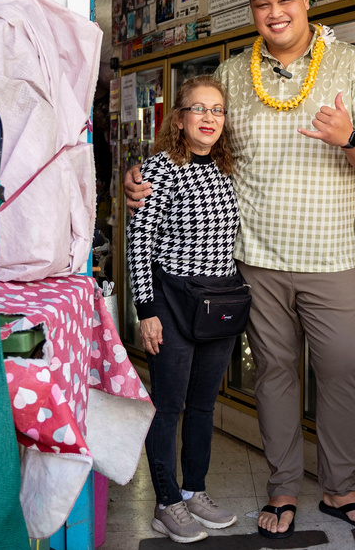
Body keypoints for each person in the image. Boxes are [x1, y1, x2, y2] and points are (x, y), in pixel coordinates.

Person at [126, 0, 355, 538]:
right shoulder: (230, 75)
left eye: (285, 1)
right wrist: (140, 180)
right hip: (250, 257)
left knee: (343, 368)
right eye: (262, 5)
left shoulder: (350, 66)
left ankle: (341, 487)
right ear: (253, 11)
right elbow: (192, 140)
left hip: (329, 253)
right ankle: (281, 489)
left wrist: (346, 137)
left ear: (305, 0)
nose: (274, 13)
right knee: (274, 371)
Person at [127, 75, 241, 544]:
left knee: (202, 405)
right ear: (179, 119)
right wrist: (146, 310)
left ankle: (195, 492)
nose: (209, 118)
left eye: (217, 110)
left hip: (218, 304)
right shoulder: (159, 170)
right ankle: (166, 502)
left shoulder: (226, 169)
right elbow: (140, 243)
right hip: (172, 302)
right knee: (168, 405)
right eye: (199, 109)